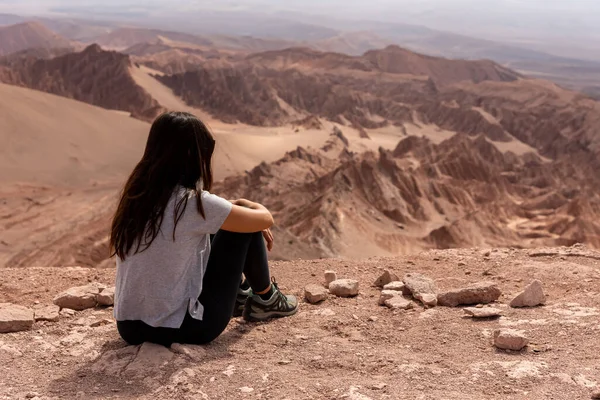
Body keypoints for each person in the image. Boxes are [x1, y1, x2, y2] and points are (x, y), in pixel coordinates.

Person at [110, 111, 298, 347]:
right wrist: (247, 205)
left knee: (220, 224)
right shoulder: (191, 203)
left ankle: (240, 294)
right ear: (192, 156)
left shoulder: (136, 197)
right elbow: (264, 219)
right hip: (187, 328)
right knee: (243, 228)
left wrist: (232, 209)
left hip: (129, 328)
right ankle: (266, 300)